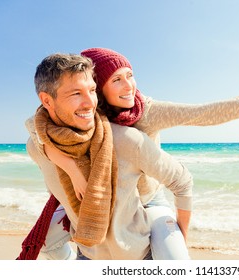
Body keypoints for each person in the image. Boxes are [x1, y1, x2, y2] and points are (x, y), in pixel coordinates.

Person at [20, 48, 239, 260]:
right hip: (101, 195)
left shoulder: (145, 113)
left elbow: (206, 114)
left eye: (130, 75)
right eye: (116, 80)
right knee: (43, 242)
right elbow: (38, 128)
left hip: (148, 198)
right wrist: (69, 168)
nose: (129, 86)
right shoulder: (87, 110)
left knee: (173, 256)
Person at [22, 53, 193, 260]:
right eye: (76, 93)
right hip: (87, 255)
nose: (89, 103)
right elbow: (38, 134)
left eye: (92, 90)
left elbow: (182, 180)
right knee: (46, 243)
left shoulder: (126, 139)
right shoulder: (37, 147)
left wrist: (180, 239)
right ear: (46, 100)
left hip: (139, 257)